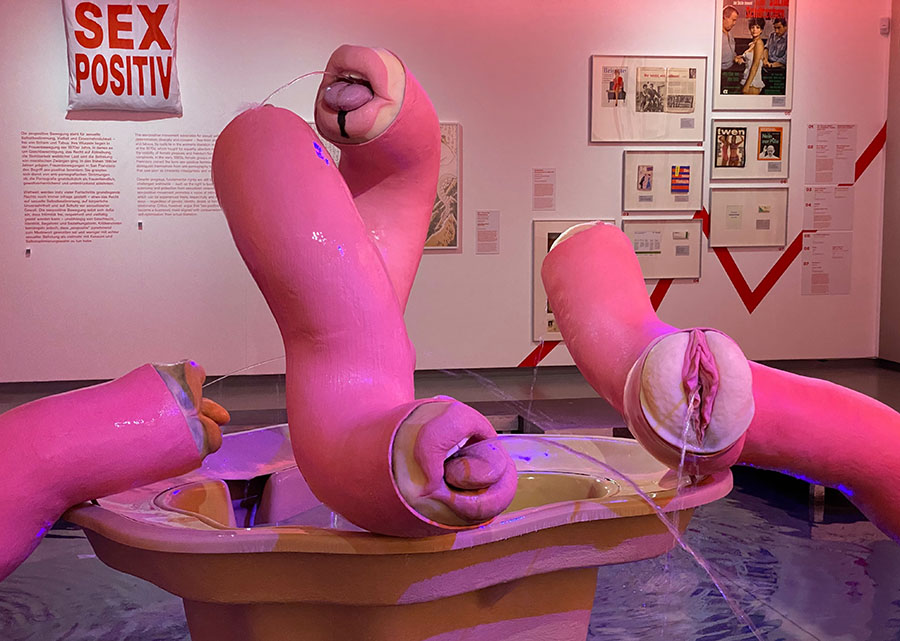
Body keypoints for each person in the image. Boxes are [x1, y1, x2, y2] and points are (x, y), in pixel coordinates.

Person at [721, 6, 745, 93]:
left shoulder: (730, 33)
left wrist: (735, 57)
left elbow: (731, 50)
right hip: (721, 73)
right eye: (733, 20)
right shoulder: (716, 34)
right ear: (724, 17)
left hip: (731, 71)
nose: (734, 23)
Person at [763, 16, 788, 95]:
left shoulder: (789, 38)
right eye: (775, 28)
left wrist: (772, 65)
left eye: (779, 28)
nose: (776, 31)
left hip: (779, 69)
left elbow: (785, 59)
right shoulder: (772, 35)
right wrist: (765, 60)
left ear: (785, 27)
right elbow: (766, 48)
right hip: (768, 64)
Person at [741, 18, 766, 95]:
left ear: (761, 30)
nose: (754, 30)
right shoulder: (752, 43)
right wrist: (739, 58)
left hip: (753, 81)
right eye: (752, 27)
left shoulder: (759, 43)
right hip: (747, 77)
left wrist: (747, 85)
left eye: (757, 27)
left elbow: (755, 65)